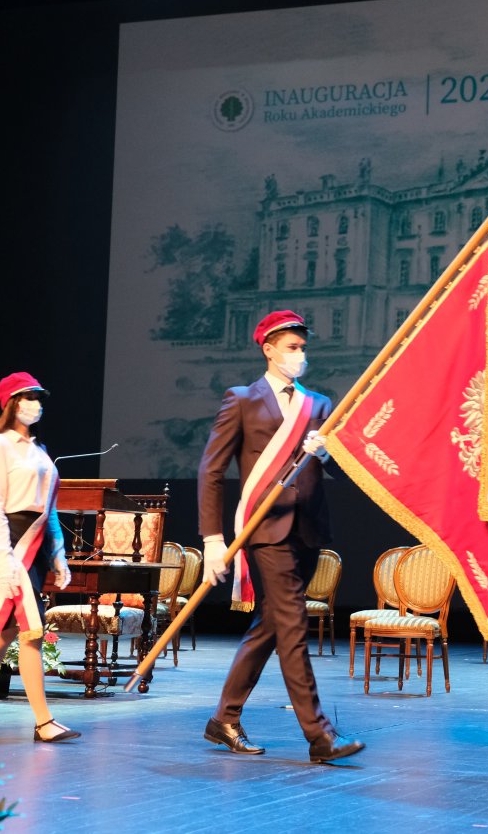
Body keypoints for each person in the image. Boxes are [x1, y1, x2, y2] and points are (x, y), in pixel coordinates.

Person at [198, 309, 364, 763]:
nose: (299, 355)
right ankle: (320, 735)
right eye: (292, 347)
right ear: (269, 350)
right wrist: (212, 539)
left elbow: (345, 471)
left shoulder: (319, 405)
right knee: (292, 626)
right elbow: (212, 471)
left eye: (303, 348)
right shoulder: (242, 400)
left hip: (307, 531)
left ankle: (224, 719)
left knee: (271, 624)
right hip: (266, 530)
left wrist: (326, 455)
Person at [0, 372, 79, 743]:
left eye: (39, 398)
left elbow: (49, 509)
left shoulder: (39, 450)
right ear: (11, 404)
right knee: (31, 632)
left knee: (3, 636)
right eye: (28, 397)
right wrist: (3, 564)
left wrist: (59, 555)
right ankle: (43, 722)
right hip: (12, 546)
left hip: (37, 546)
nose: (36, 405)